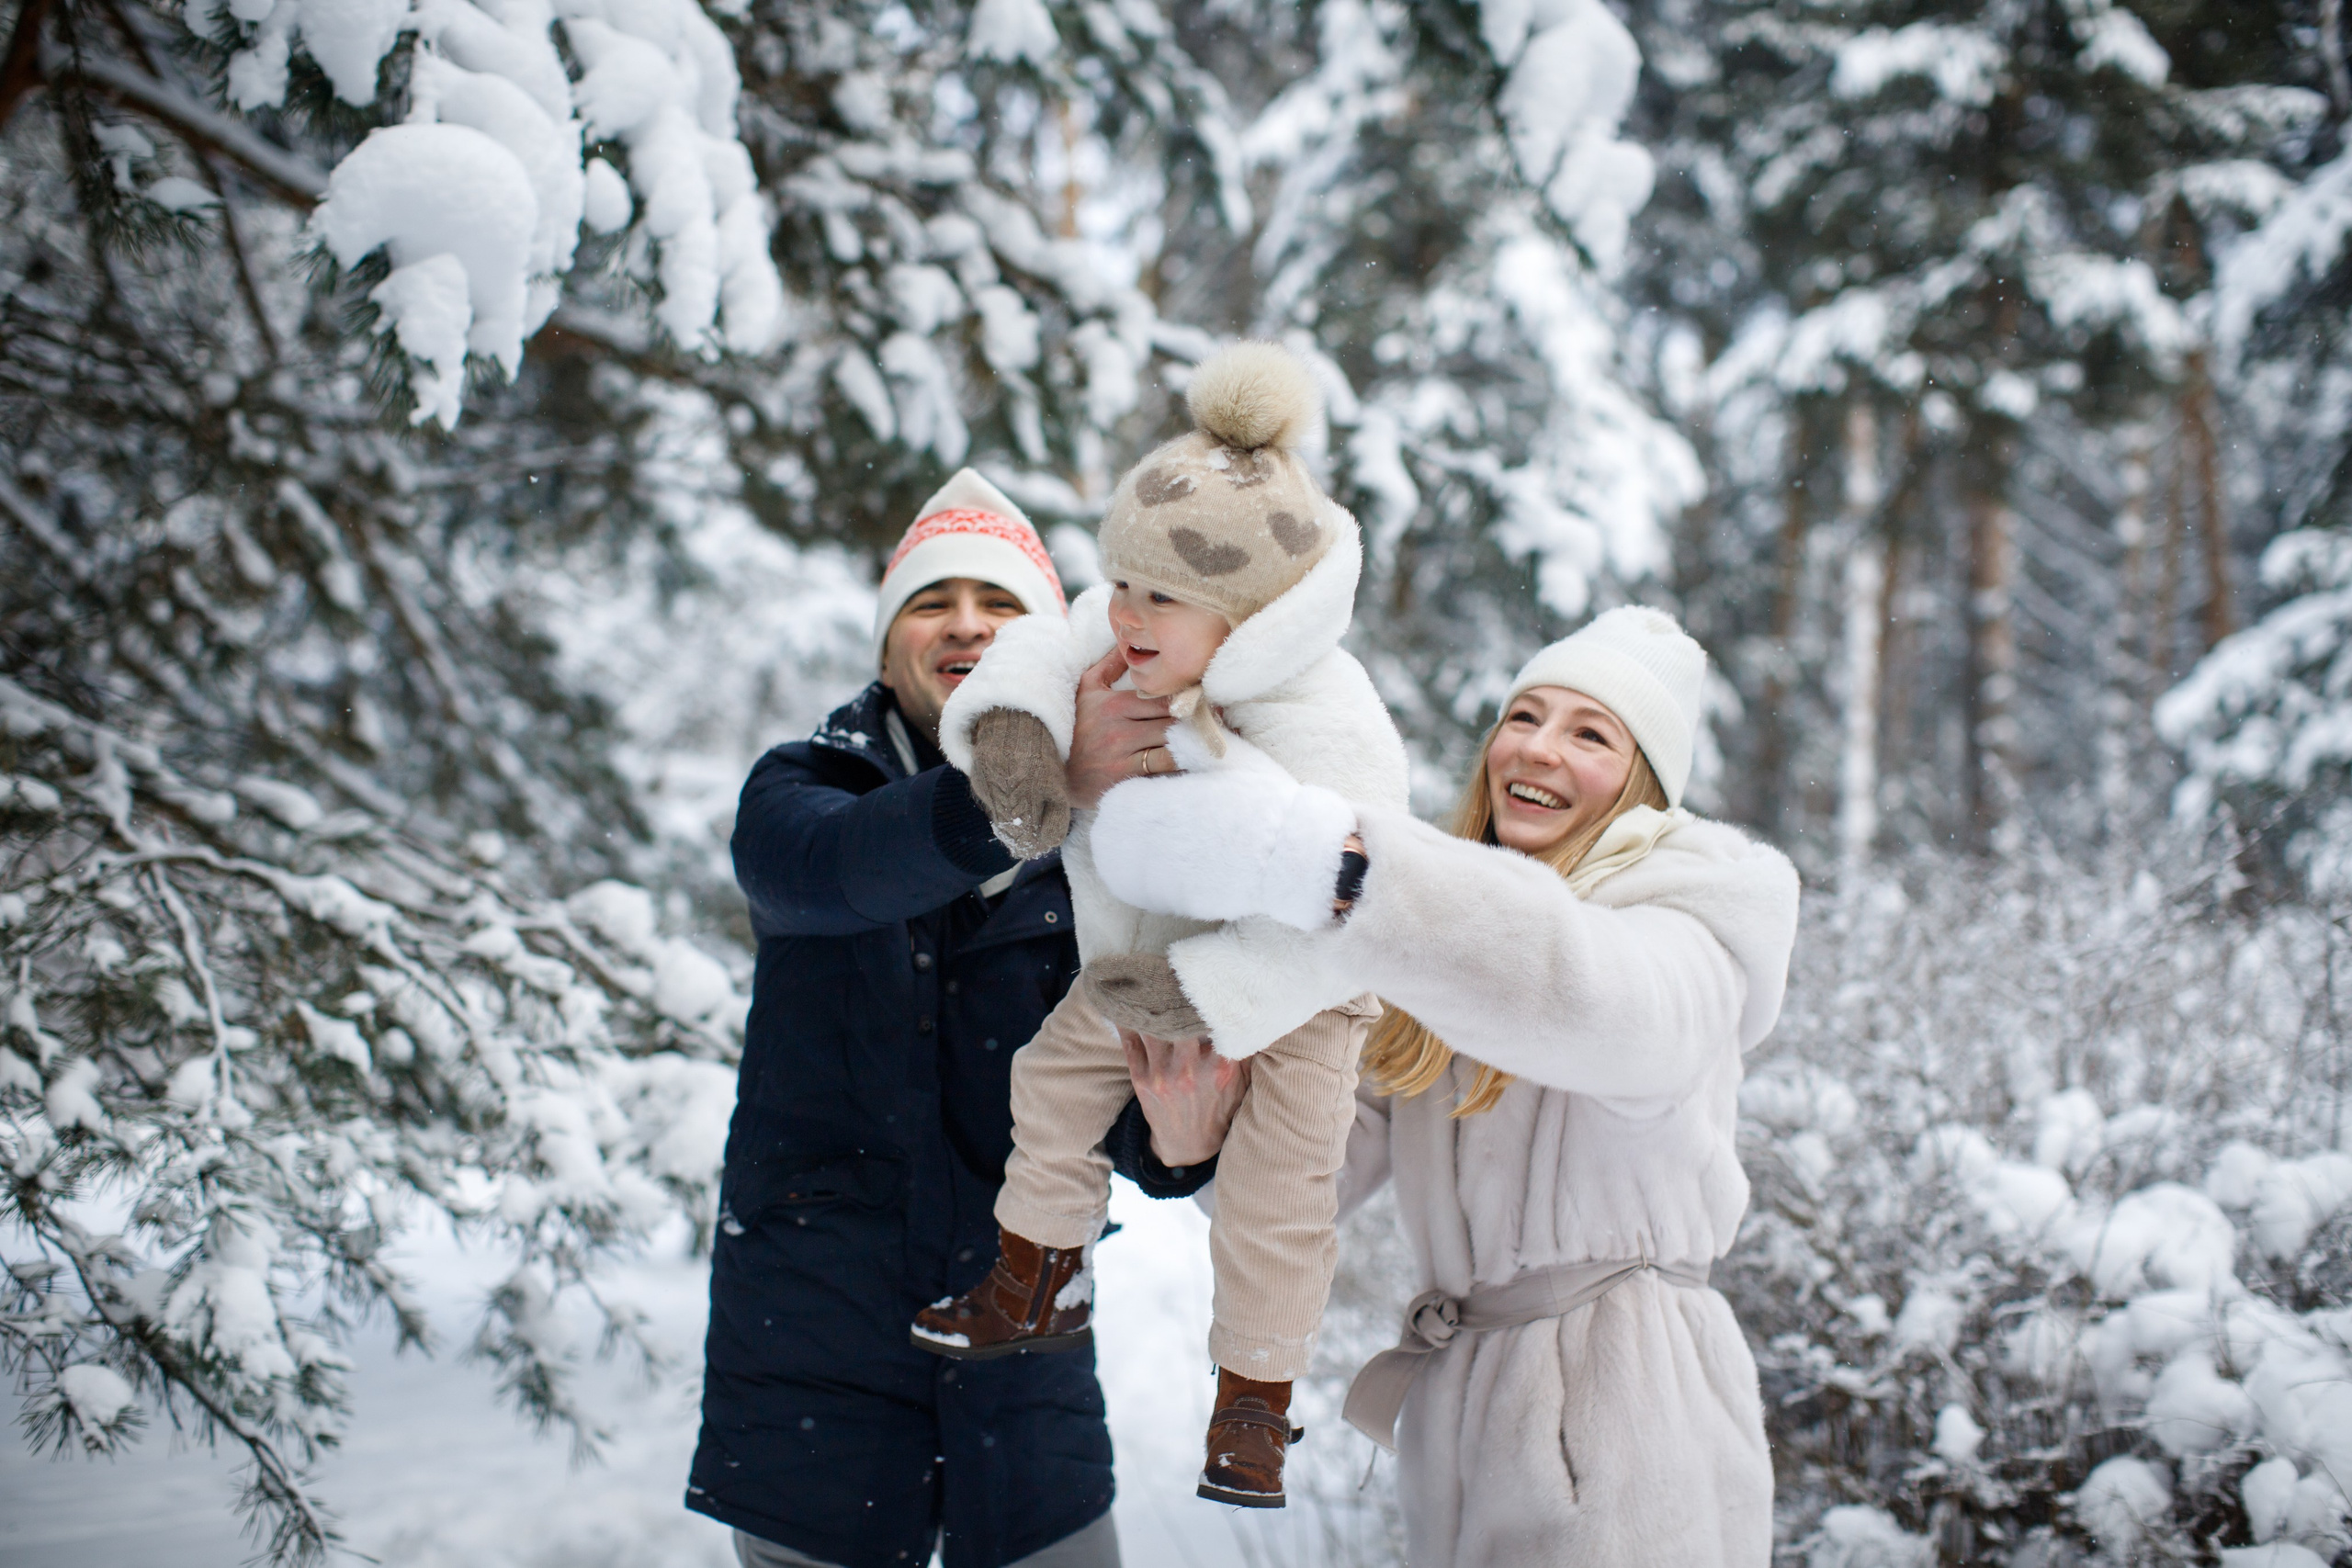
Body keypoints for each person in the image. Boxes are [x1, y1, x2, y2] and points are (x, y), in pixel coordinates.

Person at [1091, 606, 1802, 1566]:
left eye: (1589, 733)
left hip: (1628, 1408)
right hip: (1466, 1405)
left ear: (1643, 782)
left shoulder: (1690, 929)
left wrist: (1348, 869)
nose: (1538, 749)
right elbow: (1320, 1172)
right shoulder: (1445, 960)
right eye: (1523, 716)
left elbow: (1597, 1006)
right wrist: (1200, 1141)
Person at [685, 471, 1241, 1568]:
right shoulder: (807, 791)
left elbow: (1114, 1096)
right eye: (932, 601)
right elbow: (826, 875)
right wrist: (1019, 790)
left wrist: (1181, 1143)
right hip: (812, 1353)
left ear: (1044, 642)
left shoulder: (1100, 848)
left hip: (1022, 1353)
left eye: (1000, 603)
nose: (967, 624)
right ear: (889, 638)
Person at [908, 345, 1410, 1511]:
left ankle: (1253, 1405)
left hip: (1300, 991)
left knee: (1281, 1201)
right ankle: (1033, 1273)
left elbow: (1357, 902)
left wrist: (1216, 996)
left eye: (1156, 599)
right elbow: (1039, 643)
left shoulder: (1328, 716)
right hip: (1147, 967)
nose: (1120, 614)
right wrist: (1019, 742)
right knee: (1049, 1080)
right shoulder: (1120, 628)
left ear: (1244, 617)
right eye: (1119, 582)